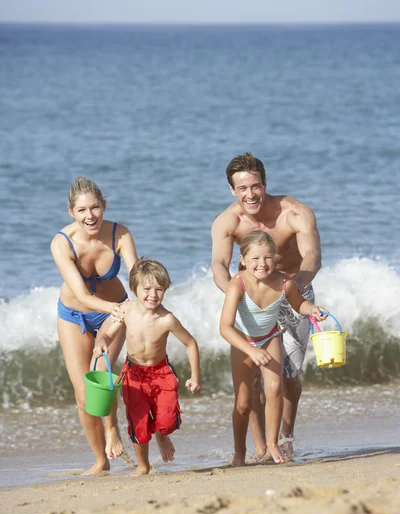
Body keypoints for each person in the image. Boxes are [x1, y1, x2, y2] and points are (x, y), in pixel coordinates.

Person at [50, 176, 174, 475]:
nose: (89, 215)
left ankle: (113, 430)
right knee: (83, 396)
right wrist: (119, 309)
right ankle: (100, 461)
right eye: (82, 210)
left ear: (104, 206)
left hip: (113, 312)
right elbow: (81, 294)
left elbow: (136, 278)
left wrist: (148, 302)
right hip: (74, 314)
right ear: (71, 212)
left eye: (95, 207)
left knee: (104, 375)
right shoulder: (61, 243)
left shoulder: (120, 234)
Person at [211, 152, 322, 459]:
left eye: (255, 186)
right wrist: (234, 291)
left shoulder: (294, 212)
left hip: (293, 289)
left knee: (287, 376)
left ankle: (285, 436)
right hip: (250, 296)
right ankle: (260, 445)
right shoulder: (227, 221)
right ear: (232, 190)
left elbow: (312, 257)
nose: (250, 194)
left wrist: (292, 289)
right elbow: (219, 263)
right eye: (242, 188)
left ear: (265, 183)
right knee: (254, 375)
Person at [220, 231, 326, 466]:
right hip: (242, 343)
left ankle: (272, 445)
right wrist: (251, 351)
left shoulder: (284, 282)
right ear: (243, 259)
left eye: (268, 258)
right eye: (255, 258)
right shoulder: (237, 284)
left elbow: (299, 304)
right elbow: (225, 328)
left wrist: (312, 309)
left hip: (269, 337)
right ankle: (239, 452)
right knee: (243, 403)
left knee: (275, 388)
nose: (262, 264)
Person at [93, 258, 201, 476]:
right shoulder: (126, 310)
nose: (153, 294)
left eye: (159, 289)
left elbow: (190, 343)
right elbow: (107, 334)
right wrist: (102, 342)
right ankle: (143, 466)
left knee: (168, 420)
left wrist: (195, 376)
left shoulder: (167, 319)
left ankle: (162, 434)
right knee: (139, 422)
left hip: (161, 372)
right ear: (134, 289)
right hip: (134, 374)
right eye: (147, 289)